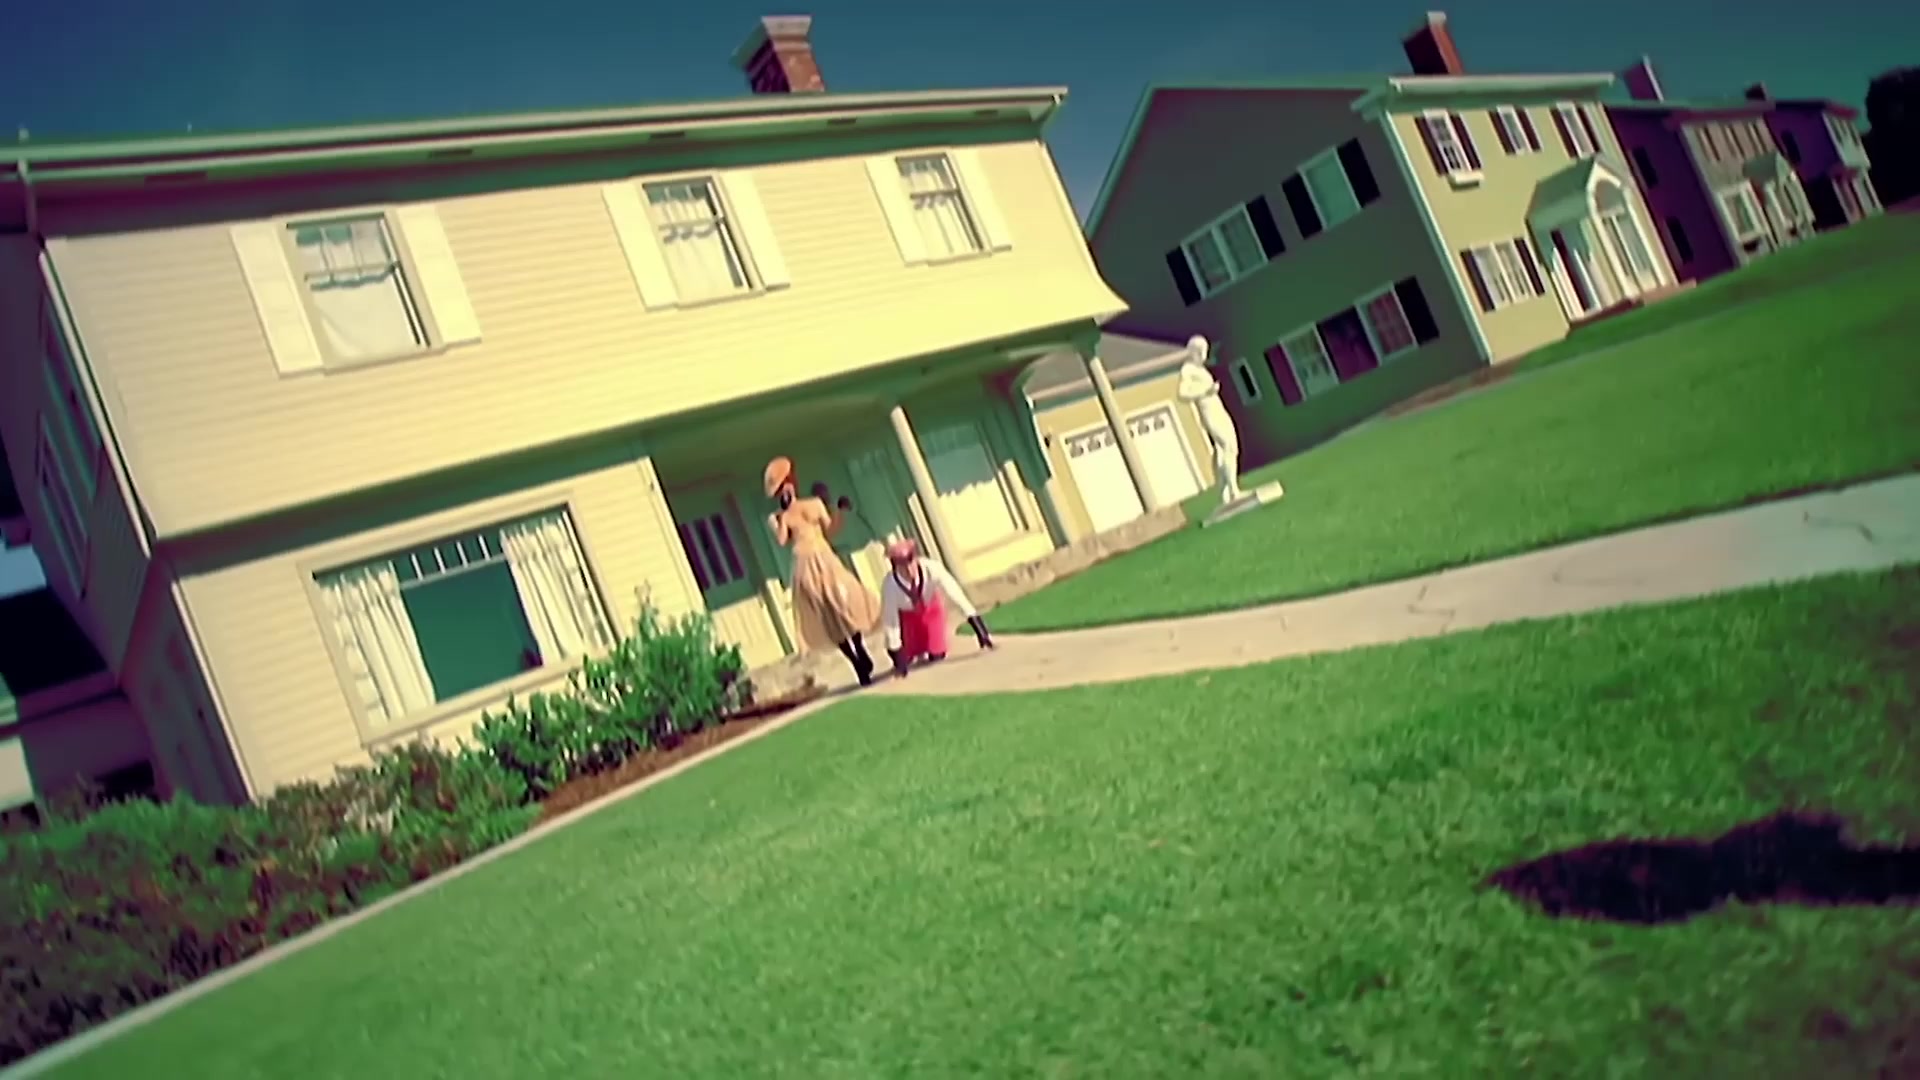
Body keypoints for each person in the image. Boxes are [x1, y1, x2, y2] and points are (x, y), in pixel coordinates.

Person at [764, 456, 883, 686]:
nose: (784, 493)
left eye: (786, 486)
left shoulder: (814, 504)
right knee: (826, 615)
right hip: (803, 563)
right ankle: (856, 663)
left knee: (843, 601)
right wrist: (774, 524)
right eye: (779, 491)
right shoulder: (784, 517)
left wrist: (838, 511)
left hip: (824, 557)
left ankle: (860, 648)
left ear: (793, 484)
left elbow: (831, 529)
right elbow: (782, 541)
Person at [879, 538, 995, 679]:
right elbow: (891, 621)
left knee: (937, 654)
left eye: (911, 562)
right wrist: (897, 654)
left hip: (931, 611)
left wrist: (978, 627)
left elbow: (955, 594)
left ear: (916, 558)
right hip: (907, 619)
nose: (909, 570)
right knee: (906, 656)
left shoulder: (932, 568)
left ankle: (931, 647)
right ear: (894, 566)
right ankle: (906, 654)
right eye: (902, 566)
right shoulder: (889, 586)